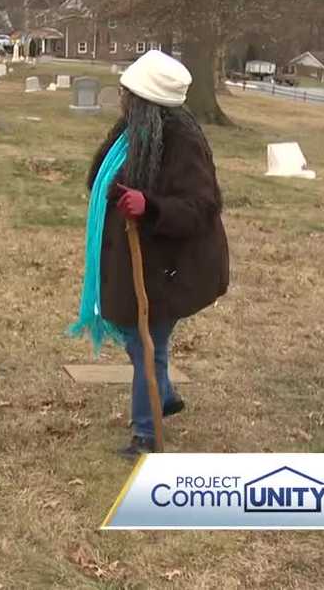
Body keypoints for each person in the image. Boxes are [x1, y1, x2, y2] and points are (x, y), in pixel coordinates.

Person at [69, 50, 229, 459]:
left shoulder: (182, 140)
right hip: (134, 262)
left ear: (145, 100)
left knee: (147, 346)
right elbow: (99, 178)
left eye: (128, 93)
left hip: (170, 267)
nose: (122, 98)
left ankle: (146, 435)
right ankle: (165, 394)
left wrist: (151, 206)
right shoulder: (133, 130)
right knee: (135, 337)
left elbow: (203, 205)